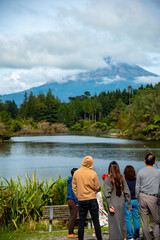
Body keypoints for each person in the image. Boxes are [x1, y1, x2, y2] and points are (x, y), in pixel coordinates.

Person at [72, 156, 102, 240]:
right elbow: (97, 186)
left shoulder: (76, 173)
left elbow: (73, 187)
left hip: (82, 200)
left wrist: (78, 196)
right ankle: (99, 238)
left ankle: (80, 238)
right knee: (95, 221)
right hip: (92, 199)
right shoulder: (93, 173)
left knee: (81, 221)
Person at [104, 161, 132, 240]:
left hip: (113, 203)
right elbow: (127, 192)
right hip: (121, 203)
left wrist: (109, 204)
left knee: (113, 225)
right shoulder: (121, 178)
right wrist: (129, 204)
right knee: (122, 222)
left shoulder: (108, 179)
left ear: (110, 168)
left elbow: (107, 194)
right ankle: (124, 237)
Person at [136, 153, 160, 240]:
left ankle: (147, 238)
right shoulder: (158, 172)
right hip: (153, 198)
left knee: (144, 221)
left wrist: (138, 197)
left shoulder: (141, 171)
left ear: (145, 161)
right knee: (155, 221)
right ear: (154, 162)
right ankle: (157, 237)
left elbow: (137, 187)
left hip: (142, 196)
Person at [124, 165, 140, 240]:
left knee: (128, 219)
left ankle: (130, 236)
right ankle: (136, 235)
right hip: (136, 200)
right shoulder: (137, 180)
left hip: (128, 201)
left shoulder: (125, 181)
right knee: (136, 218)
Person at [67, 168, 78, 238]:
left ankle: (71, 232)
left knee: (72, 216)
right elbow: (74, 193)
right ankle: (70, 232)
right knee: (73, 217)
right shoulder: (73, 182)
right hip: (73, 200)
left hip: (69, 200)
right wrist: (77, 202)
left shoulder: (70, 180)